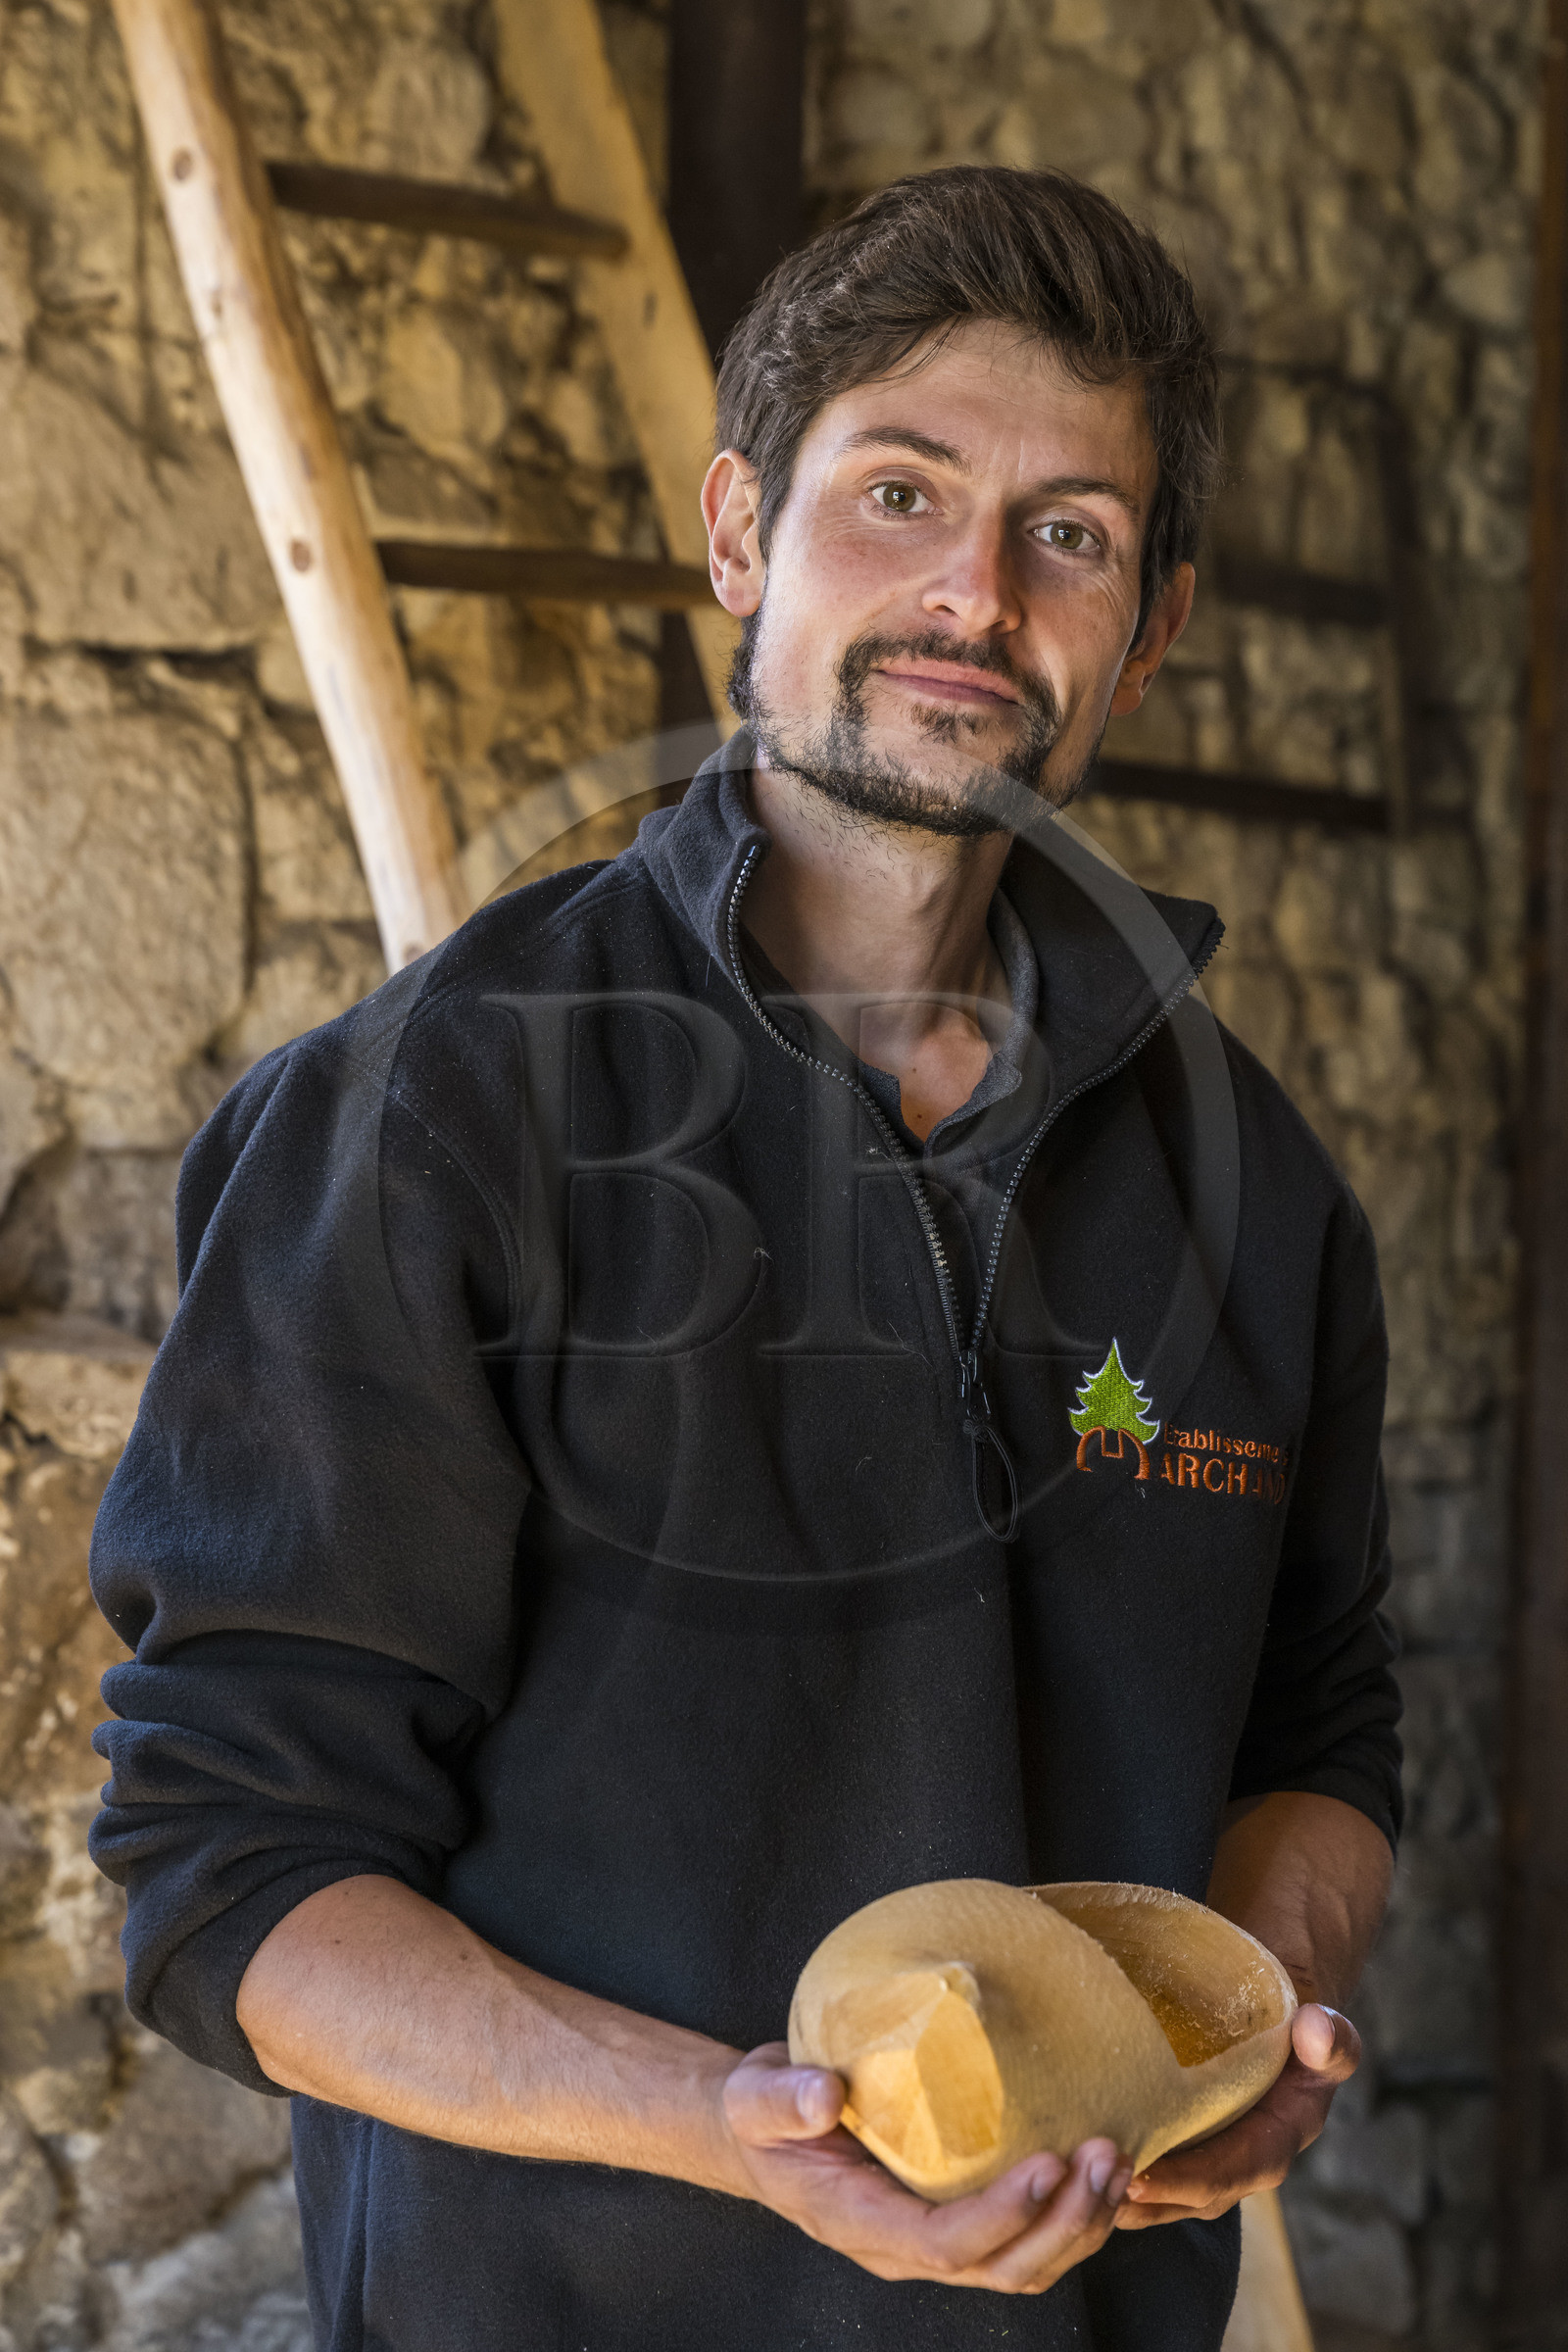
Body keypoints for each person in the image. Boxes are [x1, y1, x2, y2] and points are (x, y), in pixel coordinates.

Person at [89, 166, 1399, 2351]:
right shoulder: (432, 1117)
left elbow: (1318, 1735)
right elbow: (235, 1878)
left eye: (1065, 532)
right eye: (898, 492)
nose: (972, 594)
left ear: (1142, 626)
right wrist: (737, 2127)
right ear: (735, 536)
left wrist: (1249, 2024)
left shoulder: (1249, 1182)